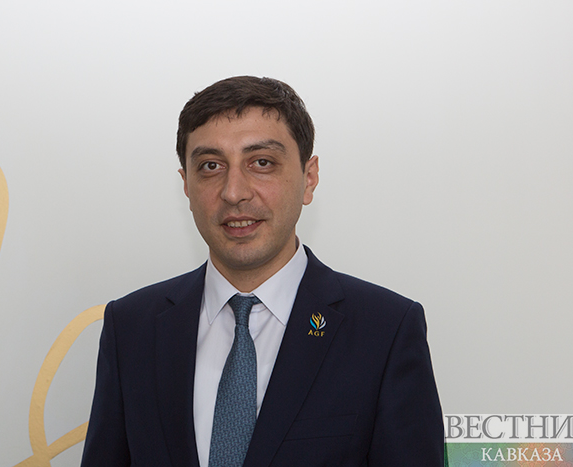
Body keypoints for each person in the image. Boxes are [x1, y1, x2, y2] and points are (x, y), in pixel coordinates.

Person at [81, 76, 444, 467]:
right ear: (186, 185)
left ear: (309, 178)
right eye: (211, 166)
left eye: (262, 163)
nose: (234, 192)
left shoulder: (385, 329)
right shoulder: (131, 327)